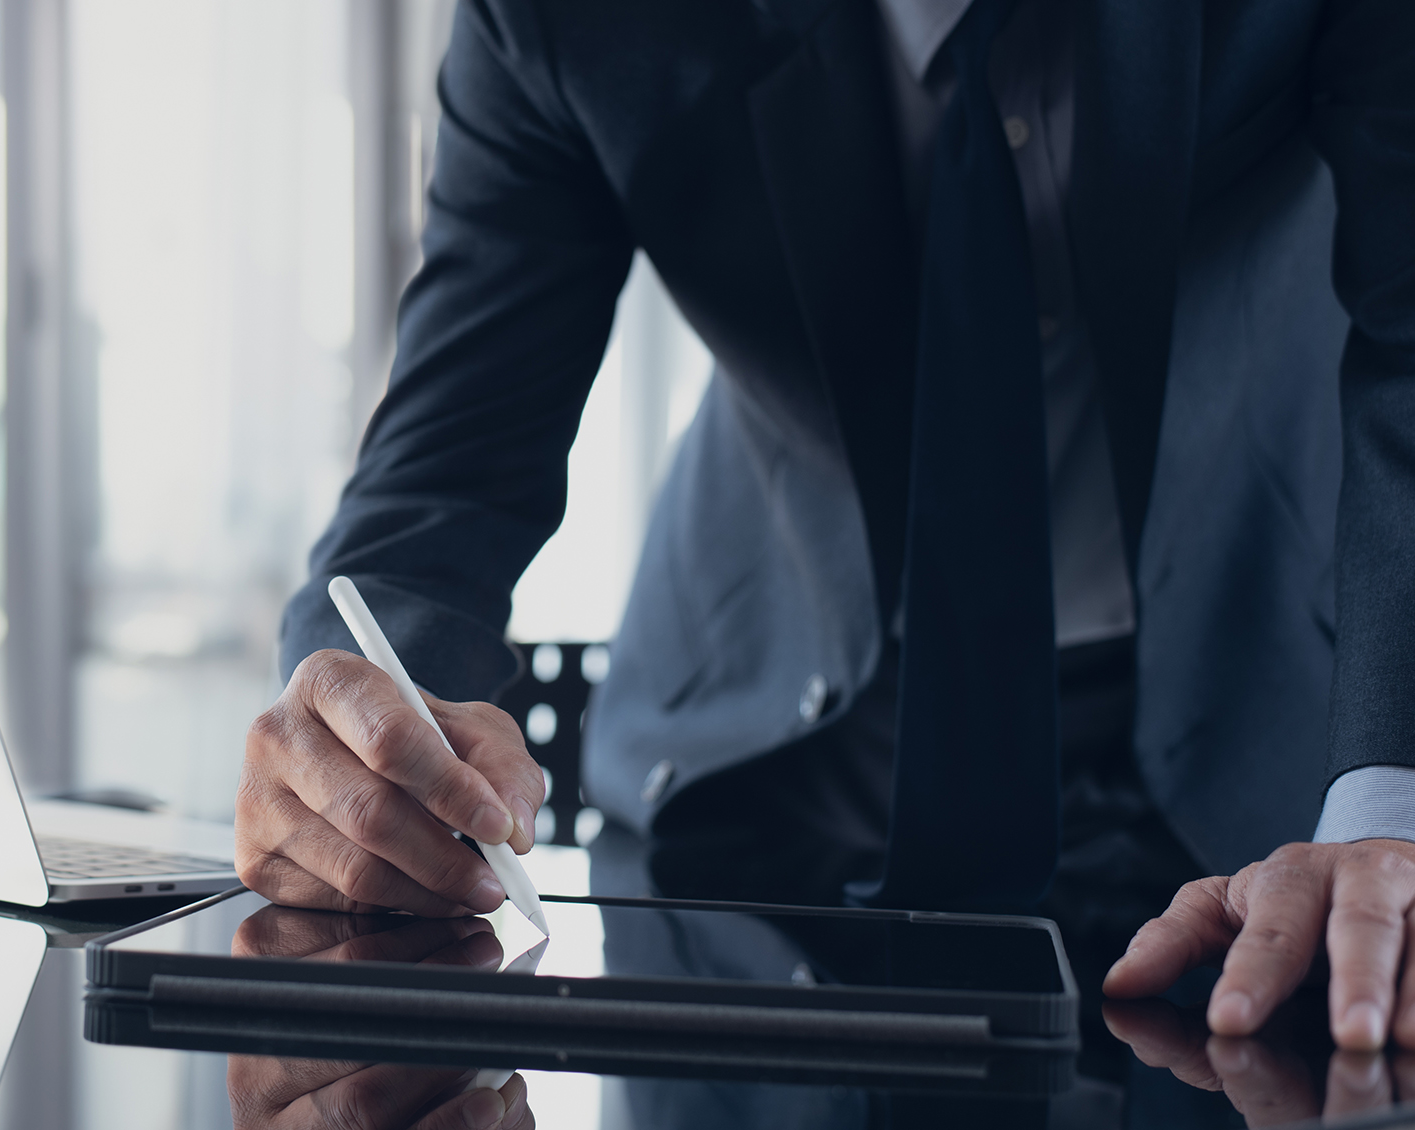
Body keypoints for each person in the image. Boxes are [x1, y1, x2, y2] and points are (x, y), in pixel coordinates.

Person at [234, 0, 1415, 1081]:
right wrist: (365, 732)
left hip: (1256, 759)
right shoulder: (570, 19)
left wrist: (1388, 803)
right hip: (767, 792)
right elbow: (443, 472)